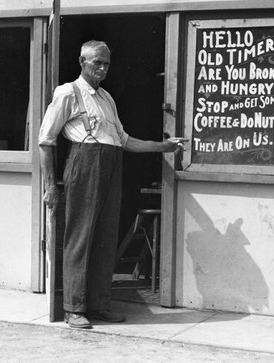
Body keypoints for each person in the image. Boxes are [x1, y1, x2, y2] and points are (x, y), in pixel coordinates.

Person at [39, 40, 182, 329]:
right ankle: (73, 308)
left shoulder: (106, 98)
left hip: (111, 165)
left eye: (106, 63)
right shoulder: (69, 92)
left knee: (105, 238)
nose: (102, 69)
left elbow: (125, 141)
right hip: (84, 164)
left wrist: (163, 146)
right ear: (82, 62)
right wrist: (50, 186)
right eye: (96, 63)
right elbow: (46, 140)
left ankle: (99, 305)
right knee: (79, 237)